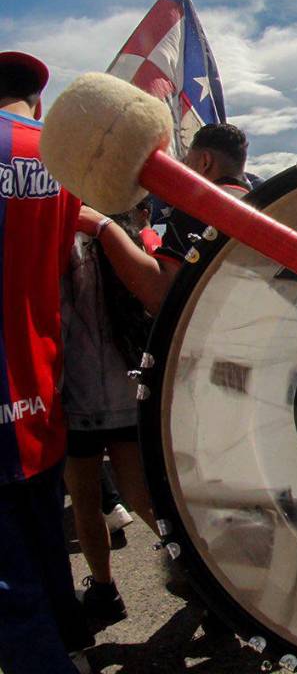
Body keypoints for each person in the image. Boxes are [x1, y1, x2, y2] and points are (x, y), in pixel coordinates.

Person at [0, 50, 94, 673]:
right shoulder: (59, 161)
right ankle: (74, 647)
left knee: (7, 582)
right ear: (37, 102)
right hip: (37, 381)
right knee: (43, 542)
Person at [61, 198, 161, 626]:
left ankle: (105, 590)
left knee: (87, 498)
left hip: (75, 390)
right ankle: (201, 573)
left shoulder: (65, 236)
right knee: (139, 494)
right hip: (123, 382)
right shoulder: (116, 230)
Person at [80, 122, 250, 314]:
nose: (184, 169)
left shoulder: (199, 208)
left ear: (205, 162)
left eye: (187, 163)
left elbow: (161, 297)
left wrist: (104, 227)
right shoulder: (267, 208)